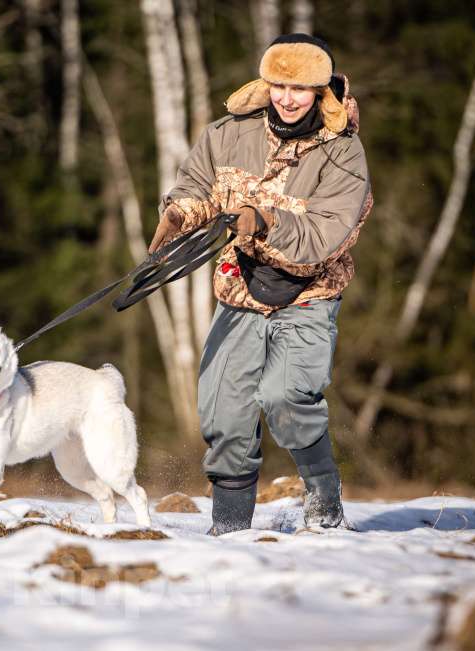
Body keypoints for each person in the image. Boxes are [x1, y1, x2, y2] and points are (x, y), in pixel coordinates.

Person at [148, 34, 372, 534]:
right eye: (279, 85)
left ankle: (324, 502)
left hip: (310, 293)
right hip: (238, 291)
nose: (287, 98)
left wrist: (264, 220)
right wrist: (182, 211)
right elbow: (197, 184)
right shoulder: (228, 133)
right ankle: (229, 532)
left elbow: (326, 234)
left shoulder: (344, 153)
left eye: (300, 88)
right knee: (224, 415)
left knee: (287, 397)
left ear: (321, 91)